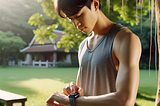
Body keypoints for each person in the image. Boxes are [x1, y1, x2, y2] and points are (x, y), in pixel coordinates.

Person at [46, 0, 142, 106]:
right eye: (70, 19)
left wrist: (72, 101)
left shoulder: (125, 39)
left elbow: (125, 100)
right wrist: (72, 94)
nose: (75, 24)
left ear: (95, 4)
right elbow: (83, 97)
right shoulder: (83, 46)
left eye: (78, 15)